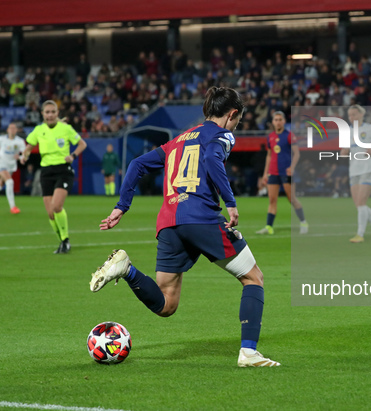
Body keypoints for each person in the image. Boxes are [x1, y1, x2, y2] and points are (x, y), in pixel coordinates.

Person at [89, 87, 280, 367]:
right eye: (238, 119)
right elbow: (212, 159)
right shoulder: (222, 135)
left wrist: (122, 206)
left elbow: (137, 164)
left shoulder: (178, 139)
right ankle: (248, 353)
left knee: (167, 304)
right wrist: (230, 202)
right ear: (233, 114)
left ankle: (127, 270)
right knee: (253, 278)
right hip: (200, 218)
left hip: (168, 223)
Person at [21, 100, 87, 253]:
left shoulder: (66, 128)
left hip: (63, 170)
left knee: (56, 207)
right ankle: (62, 242)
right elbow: (29, 147)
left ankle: (65, 240)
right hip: (46, 172)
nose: (50, 115)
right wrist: (25, 155)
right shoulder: (39, 130)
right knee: (50, 213)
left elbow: (82, 144)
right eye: (47, 112)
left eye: (52, 112)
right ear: (42, 114)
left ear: (57, 113)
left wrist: (73, 156)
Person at [256, 111, 308, 235]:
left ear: (284, 121)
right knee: (272, 200)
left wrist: (292, 167)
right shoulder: (270, 137)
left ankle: (303, 222)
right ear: (273, 122)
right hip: (273, 172)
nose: (278, 122)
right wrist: (265, 173)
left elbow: (297, 153)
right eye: (276, 120)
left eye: (280, 119)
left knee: (292, 199)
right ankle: (269, 227)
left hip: (286, 173)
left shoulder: (289, 135)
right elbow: (269, 155)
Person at [340, 105, 371, 243]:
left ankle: (360, 234)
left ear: (361, 114)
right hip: (354, 170)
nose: (351, 117)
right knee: (359, 205)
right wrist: (343, 152)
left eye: (354, 114)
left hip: (368, 168)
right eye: (349, 115)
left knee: (361, 203)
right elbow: (345, 149)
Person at [0, 122, 26, 213]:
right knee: (10, 182)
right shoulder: (1, 139)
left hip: (11, 166)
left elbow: (25, 155)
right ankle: (13, 207)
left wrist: (20, 158)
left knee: (1, 184)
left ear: (16, 130)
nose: (12, 130)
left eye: (14, 128)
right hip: (1, 163)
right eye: (10, 128)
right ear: (7, 130)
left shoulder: (19, 141)